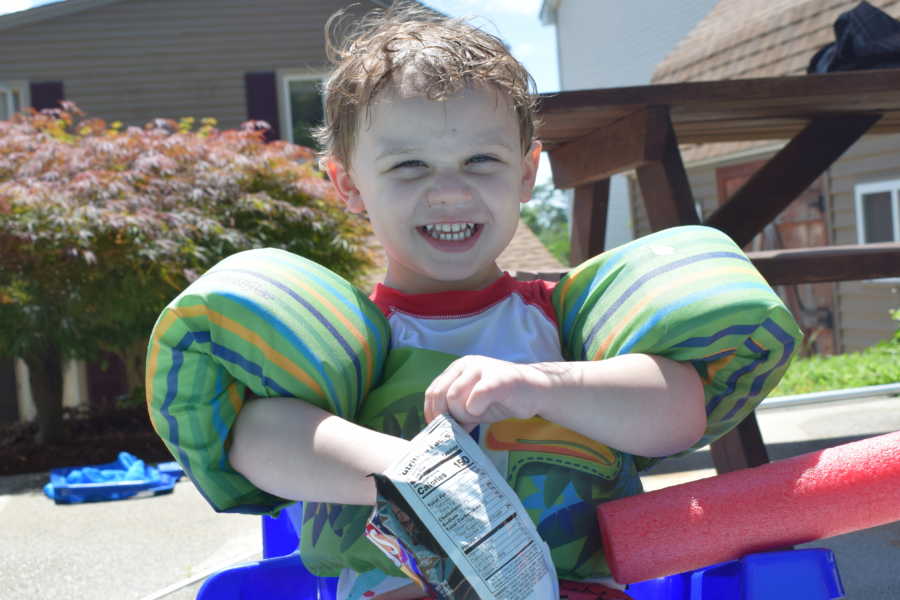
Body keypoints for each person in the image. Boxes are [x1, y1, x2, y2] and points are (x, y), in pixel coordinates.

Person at [227, 3, 706, 599]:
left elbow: (681, 411)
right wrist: (411, 473)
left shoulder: (563, 322)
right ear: (349, 186)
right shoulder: (344, 345)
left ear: (528, 173)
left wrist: (539, 385)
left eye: (481, 160)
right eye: (409, 166)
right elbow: (254, 440)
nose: (450, 192)